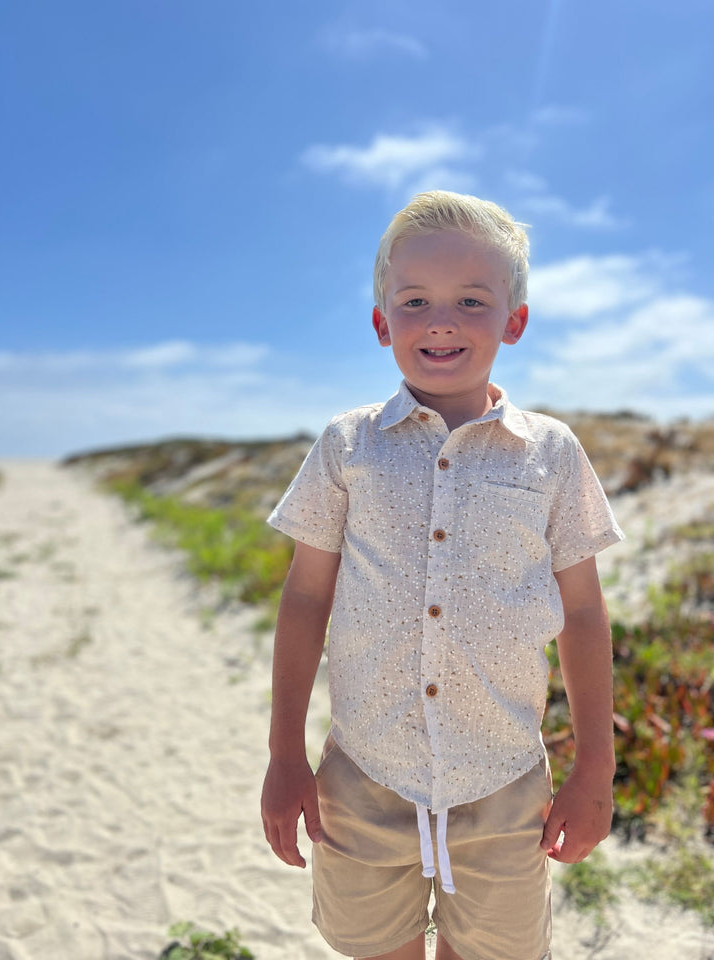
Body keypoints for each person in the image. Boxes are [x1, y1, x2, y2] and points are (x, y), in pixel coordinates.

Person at [261, 190, 624, 960]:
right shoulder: (347, 445)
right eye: (416, 301)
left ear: (513, 321)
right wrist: (284, 753)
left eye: (471, 301)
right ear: (382, 322)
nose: (441, 321)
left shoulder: (551, 453)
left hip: (505, 786)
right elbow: (305, 598)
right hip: (364, 776)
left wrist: (597, 765)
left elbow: (586, 614)